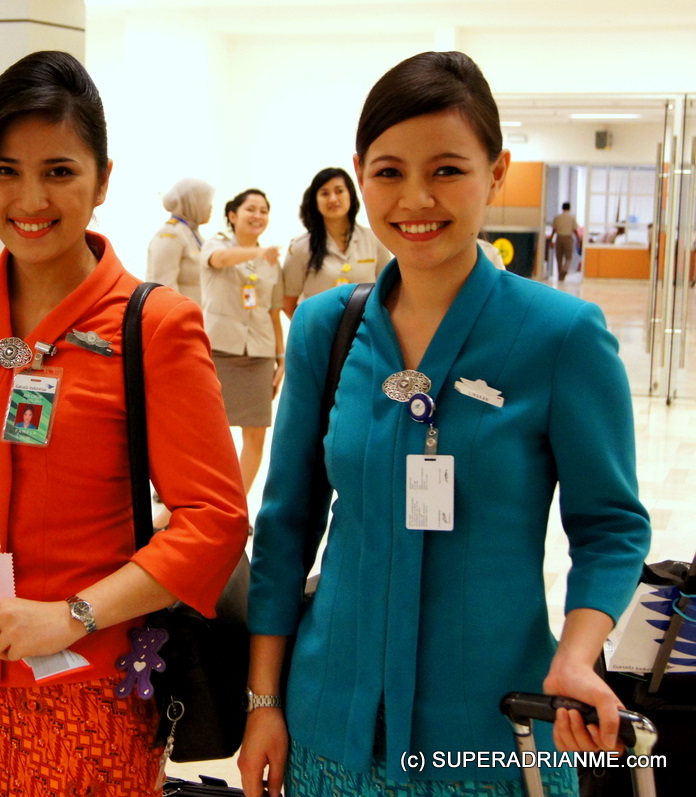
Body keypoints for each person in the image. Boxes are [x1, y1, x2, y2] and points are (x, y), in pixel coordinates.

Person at [239, 51, 651, 797]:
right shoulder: (327, 327)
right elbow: (285, 524)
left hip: (495, 738)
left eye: (448, 170)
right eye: (390, 171)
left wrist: (579, 655)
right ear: (360, 173)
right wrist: (264, 701)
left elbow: (611, 523)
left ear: (497, 172)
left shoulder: (561, 335)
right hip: (328, 730)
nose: (416, 197)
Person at [0, 50, 249, 795]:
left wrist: (72, 614)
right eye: (5, 170)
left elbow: (216, 519)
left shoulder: (155, 325)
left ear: (103, 179)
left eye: (59, 171)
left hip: (90, 684)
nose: (29, 197)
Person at [200, 189, 284, 499]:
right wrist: (257, 253)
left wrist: (281, 357)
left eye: (264, 210)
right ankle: (194, 506)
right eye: (251, 209)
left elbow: (273, 312)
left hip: (259, 353)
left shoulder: (271, 261)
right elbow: (220, 260)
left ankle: (235, 506)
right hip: (219, 351)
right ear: (233, 215)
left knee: (256, 438)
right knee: (209, 436)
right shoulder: (215, 244)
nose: (258, 215)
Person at [281, 167, 390, 318]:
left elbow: (388, 293)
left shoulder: (375, 239)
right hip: (320, 335)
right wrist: (310, 331)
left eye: (339, 191)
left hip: (366, 332)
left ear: (351, 195)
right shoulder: (301, 247)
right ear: (315, 200)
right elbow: (288, 302)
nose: (333, 199)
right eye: (325, 193)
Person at [146, 177, 215, 303]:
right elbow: (163, 287)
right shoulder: (170, 234)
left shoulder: (191, 232)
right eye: (205, 201)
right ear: (193, 203)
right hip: (178, 317)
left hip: (198, 316)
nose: (211, 207)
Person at [551, 201, 579, 279]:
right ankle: (565, 270)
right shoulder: (572, 217)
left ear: (562, 208)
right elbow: (575, 230)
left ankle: (560, 274)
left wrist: (551, 239)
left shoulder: (557, 217)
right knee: (569, 257)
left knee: (559, 257)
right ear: (569, 208)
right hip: (568, 238)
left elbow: (554, 229)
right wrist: (578, 240)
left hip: (559, 237)